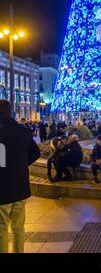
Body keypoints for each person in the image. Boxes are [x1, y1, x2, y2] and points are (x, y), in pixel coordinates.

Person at [0, 99, 40, 253]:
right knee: (18, 227)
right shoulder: (23, 130)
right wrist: (21, 165)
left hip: (2, 189)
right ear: (10, 111)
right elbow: (35, 153)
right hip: (20, 187)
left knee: (2, 229)